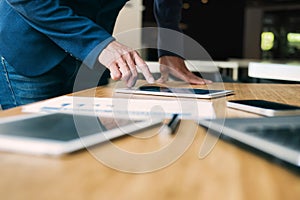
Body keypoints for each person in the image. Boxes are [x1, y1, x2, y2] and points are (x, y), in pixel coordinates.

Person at [0, 0, 211, 110]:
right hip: (30, 50)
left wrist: (169, 47)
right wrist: (98, 44)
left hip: (92, 59)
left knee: (92, 146)